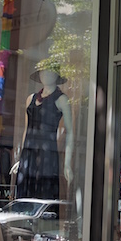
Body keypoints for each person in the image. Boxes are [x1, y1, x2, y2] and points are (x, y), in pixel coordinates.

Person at [11, 63, 74, 199]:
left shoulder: (62, 99)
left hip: (47, 156)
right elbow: (27, 129)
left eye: (50, 72)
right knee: (24, 195)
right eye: (43, 72)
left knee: (44, 193)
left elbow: (70, 132)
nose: (46, 75)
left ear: (57, 76)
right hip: (28, 156)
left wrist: (67, 164)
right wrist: (21, 158)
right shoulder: (31, 99)